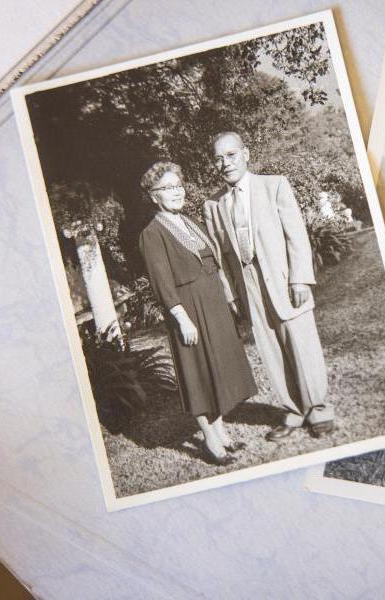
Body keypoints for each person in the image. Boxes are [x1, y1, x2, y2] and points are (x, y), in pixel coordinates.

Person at [202, 132, 334, 441]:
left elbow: (296, 235)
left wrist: (300, 277)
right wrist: (231, 293)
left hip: (284, 278)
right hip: (248, 286)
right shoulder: (213, 205)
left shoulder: (274, 185)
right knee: (270, 346)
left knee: (301, 342)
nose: (225, 163)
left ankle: (318, 409)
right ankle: (293, 411)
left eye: (231, 155)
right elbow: (220, 256)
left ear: (246, 154)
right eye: (219, 158)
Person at [138, 161, 257, 466]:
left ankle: (221, 432)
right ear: (154, 196)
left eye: (178, 185)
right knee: (197, 373)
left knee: (214, 369)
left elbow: (213, 263)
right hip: (188, 308)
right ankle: (209, 439)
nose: (176, 192)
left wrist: (229, 299)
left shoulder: (189, 222)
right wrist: (181, 318)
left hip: (213, 304)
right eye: (167, 188)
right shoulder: (152, 234)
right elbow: (162, 282)